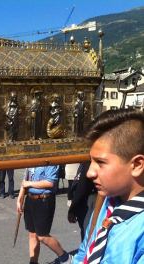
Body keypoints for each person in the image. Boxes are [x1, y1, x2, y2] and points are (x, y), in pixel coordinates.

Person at [73, 109, 144, 263]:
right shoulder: (107, 202)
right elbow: (85, 252)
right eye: (90, 161)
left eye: (101, 162)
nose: (90, 173)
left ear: (137, 165)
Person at [17, 166, 72, 264]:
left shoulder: (49, 161)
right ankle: (33, 262)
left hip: (44, 200)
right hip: (30, 199)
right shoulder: (32, 158)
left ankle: (66, 258)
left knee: (42, 236)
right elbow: (26, 177)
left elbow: (50, 182)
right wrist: (20, 196)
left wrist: (28, 183)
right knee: (32, 234)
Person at [67, 161, 96, 240]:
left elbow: (82, 187)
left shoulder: (88, 163)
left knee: (87, 231)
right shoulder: (84, 163)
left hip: (88, 200)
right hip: (84, 200)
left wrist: (72, 208)